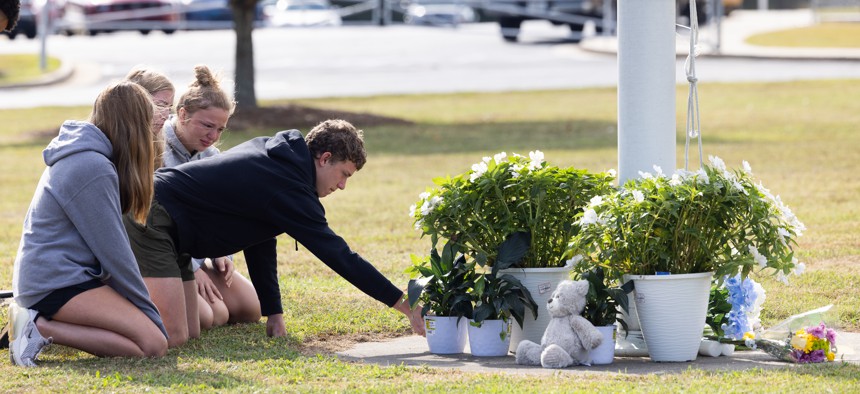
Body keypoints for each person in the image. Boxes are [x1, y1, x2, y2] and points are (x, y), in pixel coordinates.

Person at [126, 119, 425, 346]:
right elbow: (339, 256)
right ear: (324, 158)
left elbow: (259, 238)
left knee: (188, 332)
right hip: (153, 215)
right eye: (343, 174)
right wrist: (406, 304)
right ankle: (97, 315)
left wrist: (274, 312)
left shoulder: (282, 159)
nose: (343, 185)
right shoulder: (289, 186)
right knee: (174, 337)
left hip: (179, 234)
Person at [9, 81, 169, 367]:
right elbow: (115, 254)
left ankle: (39, 324)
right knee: (154, 343)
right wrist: (150, 313)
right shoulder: (92, 167)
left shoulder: (92, 157)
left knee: (151, 340)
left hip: (67, 277)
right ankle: (39, 327)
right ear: (133, 125)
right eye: (147, 121)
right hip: (55, 282)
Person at [158, 64, 260, 334]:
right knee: (210, 317)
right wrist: (192, 268)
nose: (213, 136)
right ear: (182, 114)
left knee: (251, 309)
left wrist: (221, 253)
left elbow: (220, 216)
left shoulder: (212, 157)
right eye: (207, 125)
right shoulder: (156, 150)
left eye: (220, 129)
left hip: (197, 252)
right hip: (165, 255)